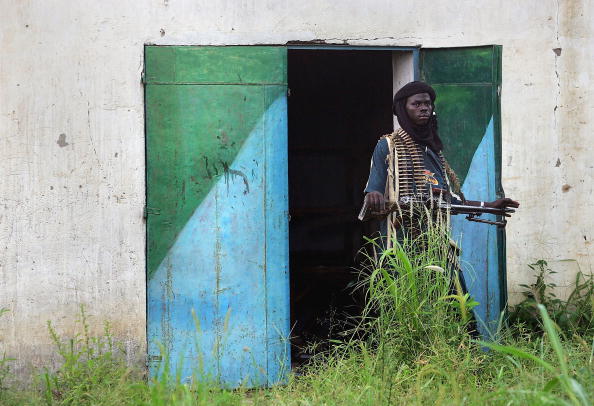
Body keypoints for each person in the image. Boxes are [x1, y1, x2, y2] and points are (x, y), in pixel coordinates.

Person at [364, 81, 519, 246]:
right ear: (403, 109)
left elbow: (451, 202)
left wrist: (489, 206)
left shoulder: (433, 152)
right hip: (400, 240)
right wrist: (373, 195)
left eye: (427, 104)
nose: (424, 108)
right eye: (416, 104)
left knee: (451, 272)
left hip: (435, 240)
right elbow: (374, 190)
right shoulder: (389, 146)